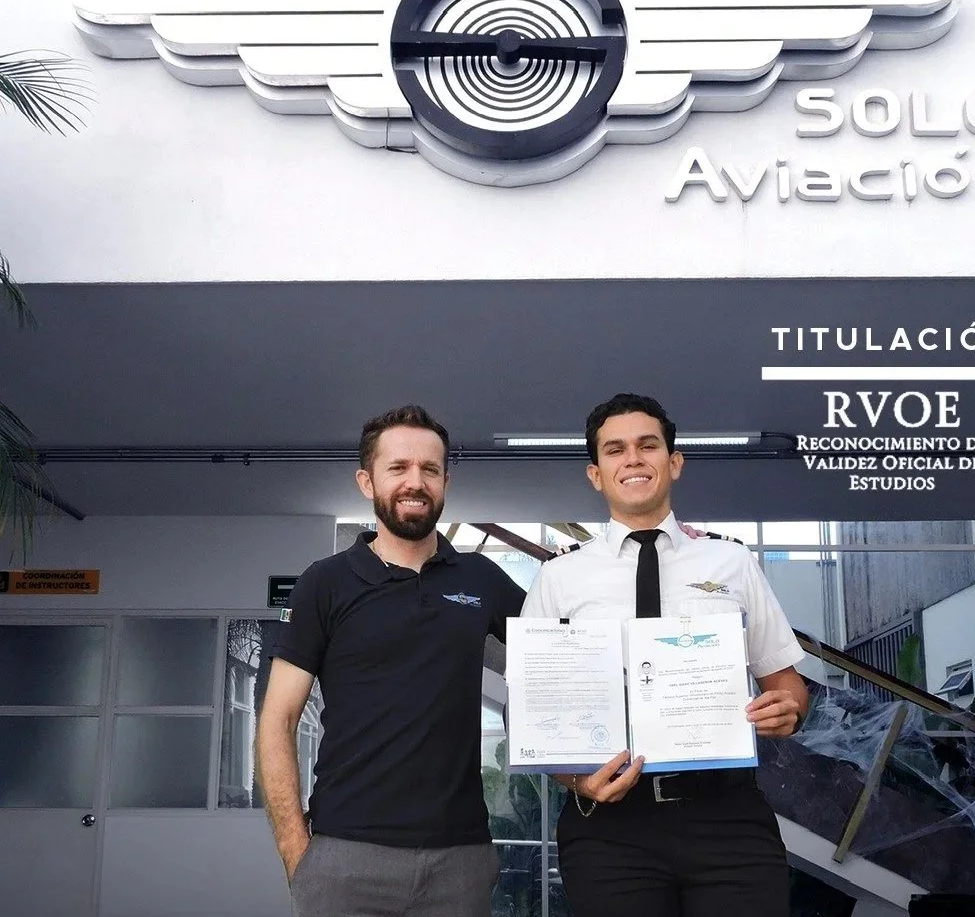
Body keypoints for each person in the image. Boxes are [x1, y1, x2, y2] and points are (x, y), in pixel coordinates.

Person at [520, 392, 809, 917]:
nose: (632, 459)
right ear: (595, 473)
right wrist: (577, 782)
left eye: (647, 445)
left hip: (727, 816)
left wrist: (787, 711)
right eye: (615, 450)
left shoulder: (730, 561)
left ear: (673, 463)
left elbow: (786, 685)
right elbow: (533, 714)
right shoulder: (559, 577)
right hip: (609, 829)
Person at [256, 404, 527, 917]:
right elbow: (278, 719)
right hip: (345, 857)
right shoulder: (326, 581)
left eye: (429, 469)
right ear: (366, 480)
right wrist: (298, 855)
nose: (415, 482)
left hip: (460, 859)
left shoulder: (481, 579)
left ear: (445, 480)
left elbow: (567, 653)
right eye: (397, 468)